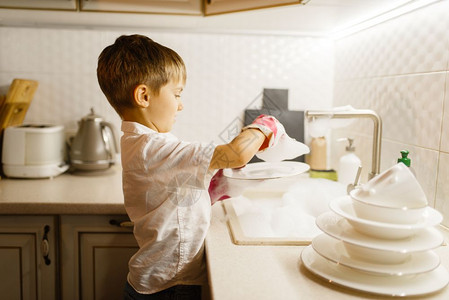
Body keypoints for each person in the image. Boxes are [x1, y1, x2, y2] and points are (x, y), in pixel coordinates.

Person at [97, 34, 283, 300]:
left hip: (159, 281)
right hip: (169, 287)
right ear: (144, 95)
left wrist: (208, 185)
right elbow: (236, 154)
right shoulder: (153, 146)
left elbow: (170, 187)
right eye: (176, 94)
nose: (180, 105)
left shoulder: (140, 143)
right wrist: (264, 126)